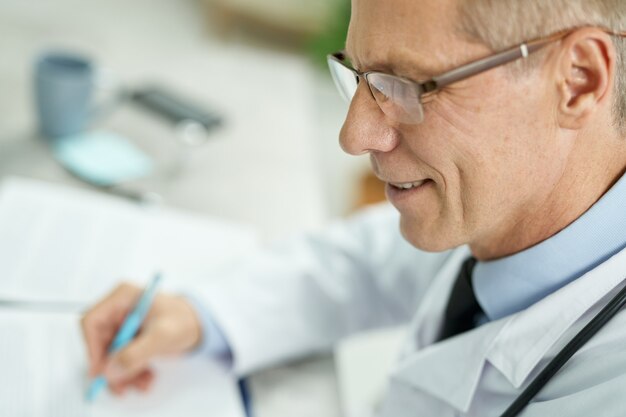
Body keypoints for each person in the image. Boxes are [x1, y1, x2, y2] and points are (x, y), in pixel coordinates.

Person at [81, 0, 626, 415]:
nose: (355, 135)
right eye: (361, 77)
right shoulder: (508, 202)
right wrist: (204, 315)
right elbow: (367, 260)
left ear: (578, 80)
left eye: (406, 84)